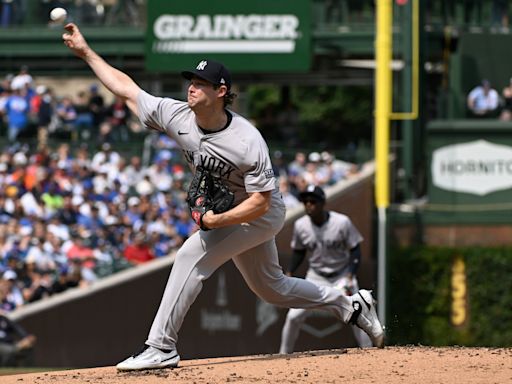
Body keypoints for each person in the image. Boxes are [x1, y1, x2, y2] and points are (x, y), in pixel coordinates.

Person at [61, 23, 384, 371]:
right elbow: (127, 90)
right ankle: (351, 304)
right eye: (191, 81)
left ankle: (161, 346)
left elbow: (260, 201)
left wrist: (216, 221)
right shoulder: (177, 115)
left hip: (260, 213)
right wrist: (86, 53)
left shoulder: (247, 140)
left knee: (191, 255)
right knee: (271, 289)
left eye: (201, 84)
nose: (192, 88)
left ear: (221, 91)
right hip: (231, 209)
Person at [279, 185, 372, 354]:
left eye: (313, 201)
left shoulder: (341, 222)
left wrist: (350, 274)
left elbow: (355, 250)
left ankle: (369, 353)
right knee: (293, 317)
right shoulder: (301, 225)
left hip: (342, 275)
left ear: (323, 203)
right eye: (305, 201)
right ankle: (283, 354)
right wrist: (290, 271)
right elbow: (299, 252)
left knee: (358, 314)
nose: (308, 204)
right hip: (316, 278)